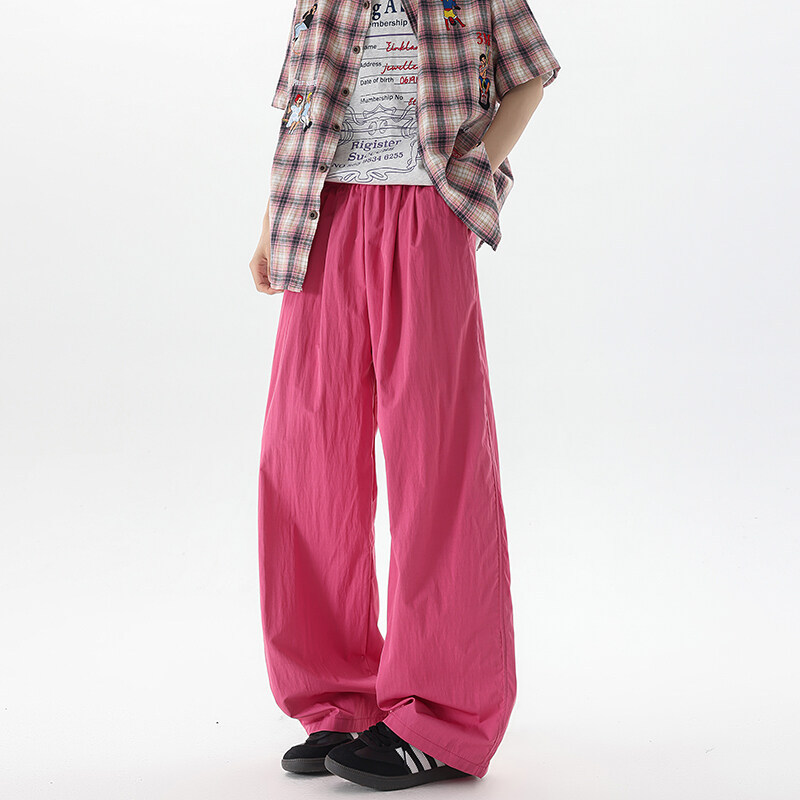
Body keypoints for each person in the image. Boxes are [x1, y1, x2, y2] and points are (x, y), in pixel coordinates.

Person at [249, 0, 560, 790]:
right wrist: (270, 224)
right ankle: (339, 698)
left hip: (426, 215)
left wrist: (470, 170)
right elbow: (303, 106)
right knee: (306, 456)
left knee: (436, 462)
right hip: (324, 219)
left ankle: (445, 719)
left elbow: (530, 76)